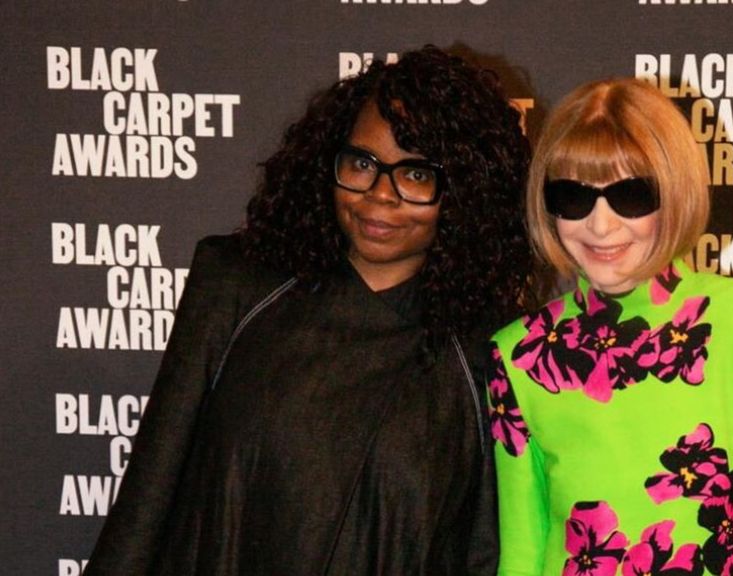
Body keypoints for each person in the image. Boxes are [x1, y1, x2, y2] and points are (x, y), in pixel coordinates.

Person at [84, 46, 534, 576]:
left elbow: (483, 553)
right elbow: (147, 497)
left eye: (415, 174)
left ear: (465, 191)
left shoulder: (488, 351)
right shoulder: (236, 287)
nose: (377, 196)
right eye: (362, 163)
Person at [487, 78, 733, 576]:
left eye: (631, 195)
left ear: (674, 191)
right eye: (573, 197)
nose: (600, 225)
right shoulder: (519, 355)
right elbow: (523, 553)